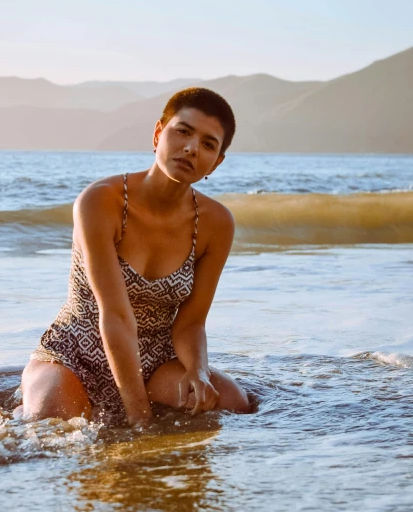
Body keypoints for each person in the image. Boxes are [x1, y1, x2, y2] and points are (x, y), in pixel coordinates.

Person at [18, 87, 251, 428]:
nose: (191, 148)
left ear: (216, 163)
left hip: (155, 363)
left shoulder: (216, 223)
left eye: (208, 144)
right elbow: (115, 315)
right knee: (51, 424)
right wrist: (139, 416)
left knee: (232, 402)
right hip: (74, 355)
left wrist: (197, 372)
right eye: (183, 131)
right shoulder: (100, 202)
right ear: (159, 133)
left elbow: (191, 323)